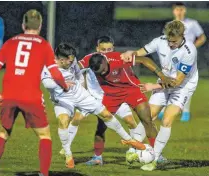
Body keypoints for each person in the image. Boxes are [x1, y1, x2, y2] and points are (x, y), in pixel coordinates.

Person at [0, 10, 71, 176]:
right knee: (45, 135)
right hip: (31, 97)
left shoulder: (10, 42)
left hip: (9, 96)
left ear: (23, 25)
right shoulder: (43, 44)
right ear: (40, 26)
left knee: (3, 132)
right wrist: (65, 86)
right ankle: (43, 174)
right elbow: (55, 73)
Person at [41, 43, 146, 169]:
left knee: (106, 114)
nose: (72, 62)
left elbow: (78, 73)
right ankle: (68, 153)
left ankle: (130, 140)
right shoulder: (47, 67)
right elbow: (47, 84)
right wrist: (62, 84)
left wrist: (80, 86)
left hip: (81, 95)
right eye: (69, 60)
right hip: (62, 99)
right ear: (61, 59)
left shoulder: (72, 60)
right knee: (63, 121)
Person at [121, 20, 198, 171]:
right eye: (169, 40)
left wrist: (152, 86)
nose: (170, 44)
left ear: (182, 36)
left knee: (167, 119)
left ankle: (155, 158)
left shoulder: (189, 51)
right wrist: (132, 54)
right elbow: (142, 51)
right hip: (163, 80)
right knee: (148, 116)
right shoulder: (160, 41)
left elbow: (177, 81)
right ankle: (133, 150)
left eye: (174, 42)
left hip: (182, 86)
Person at [82, 36, 148, 166]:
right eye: (103, 50)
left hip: (118, 95)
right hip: (101, 99)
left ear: (113, 48)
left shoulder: (118, 58)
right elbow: (76, 68)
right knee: (100, 127)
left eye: (109, 49)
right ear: (97, 49)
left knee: (130, 122)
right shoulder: (92, 60)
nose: (106, 52)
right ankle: (97, 157)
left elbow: (136, 64)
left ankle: (134, 150)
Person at [157, 2, 207, 121]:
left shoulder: (192, 23)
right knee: (167, 82)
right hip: (172, 57)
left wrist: (192, 47)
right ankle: (163, 110)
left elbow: (202, 37)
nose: (179, 11)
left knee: (185, 84)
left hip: (186, 58)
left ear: (184, 10)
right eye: (177, 9)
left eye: (181, 9)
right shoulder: (169, 25)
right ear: (174, 11)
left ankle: (185, 112)